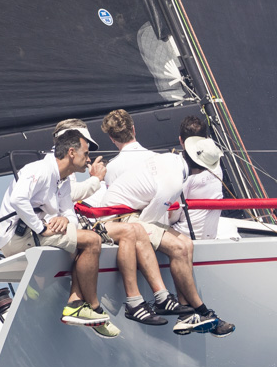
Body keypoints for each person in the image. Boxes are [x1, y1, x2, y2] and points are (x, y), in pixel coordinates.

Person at [87, 110, 229, 335]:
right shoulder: (174, 182)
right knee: (180, 246)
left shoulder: (171, 159)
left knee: (185, 244)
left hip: (125, 214)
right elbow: (148, 221)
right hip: (120, 219)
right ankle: (201, 310)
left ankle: (186, 314)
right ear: (203, 167)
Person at [0, 126, 119, 338]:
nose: (89, 160)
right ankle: (94, 308)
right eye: (86, 154)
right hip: (17, 237)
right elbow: (18, 199)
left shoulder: (63, 181)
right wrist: (41, 227)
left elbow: (69, 213)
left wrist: (65, 220)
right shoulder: (41, 170)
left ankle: (72, 302)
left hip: (32, 234)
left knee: (82, 244)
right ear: (71, 153)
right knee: (92, 240)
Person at [170, 117, 238, 243]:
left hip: (185, 235)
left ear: (181, 140)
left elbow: (172, 216)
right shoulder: (215, 164)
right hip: (210, 233)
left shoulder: (183, 174)